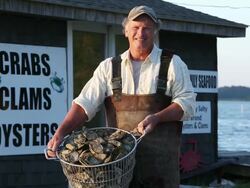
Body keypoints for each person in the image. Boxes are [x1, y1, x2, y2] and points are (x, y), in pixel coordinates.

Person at [47, 5, 196, 188]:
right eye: (135, 27)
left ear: (155, 31)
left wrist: (158, 117)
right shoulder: (108, 67)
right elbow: (84, 104)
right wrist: (61, 133)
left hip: (160, 172)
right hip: (116, 171)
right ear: (125, 30)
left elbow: (187, 104)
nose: (140, 33)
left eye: (147, 28)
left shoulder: (173, 64)